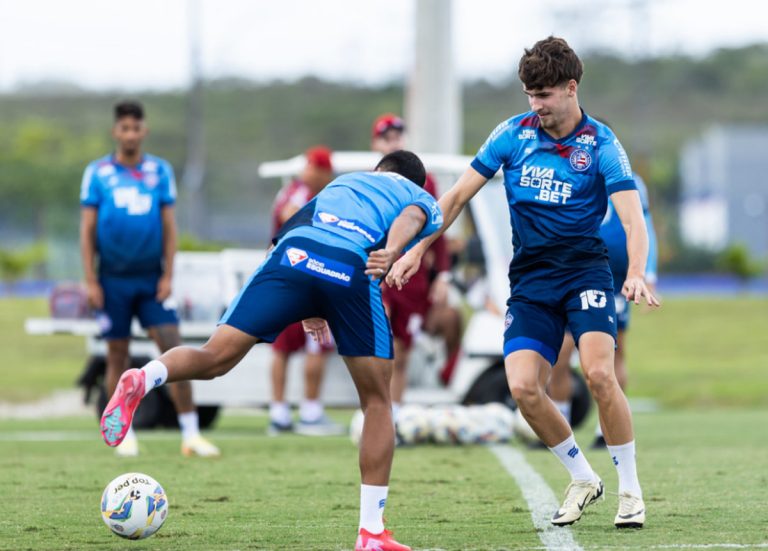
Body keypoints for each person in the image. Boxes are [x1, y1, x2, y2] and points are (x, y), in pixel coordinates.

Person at [100, 150, 442, 551]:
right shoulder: (419, 195)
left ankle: (145, 376)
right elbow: (412, 218)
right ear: (414, 182)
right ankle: (371, 532)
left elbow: (284, 234)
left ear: (377, 170)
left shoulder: (342, 183)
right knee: (377, 403)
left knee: (214, 357)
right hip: (351, 262)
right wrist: (392, 250)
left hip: (289, 256)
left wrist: (306, 304)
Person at [388, 37, 659, 529]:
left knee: (599, 375)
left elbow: (632, 218)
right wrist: (419, 248)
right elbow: (454, 199)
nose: (536, 105)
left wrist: (636, 272)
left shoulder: (601, 144)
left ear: (571, 88)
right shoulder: (512, 135)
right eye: (530, 95)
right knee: (523, 388)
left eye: (545, 95)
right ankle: (581, 477)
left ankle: (632, 492)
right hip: (531, 279)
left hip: (585, 271)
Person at [80, 100, 219, 458]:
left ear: (144, 131)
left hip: (152, 280)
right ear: (116, 132)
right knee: (117, 356)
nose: (129, 134)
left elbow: (170, 226)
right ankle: (122, 433)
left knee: (174, 349)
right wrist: (91, 280)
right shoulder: (97, 173)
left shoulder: (160, 171)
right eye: (123, 128)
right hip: (112, 280)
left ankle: (191, 434)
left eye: (135, 128)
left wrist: (168, 274)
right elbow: (87, 229)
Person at [549, 170, 658, 448]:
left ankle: (604, 429)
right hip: (573, 273)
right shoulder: (565, 174)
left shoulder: (629, 179)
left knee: (612, 353)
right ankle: (559, 425)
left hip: (613, 276)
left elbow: (643, 225)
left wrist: (648, 274)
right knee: (561, 351)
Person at [371, 114, 462, 419]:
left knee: (401, 348)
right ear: (377, 143)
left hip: (410, 277)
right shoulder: (368, 181)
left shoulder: (424, 180)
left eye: (398, 135)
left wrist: (443, 275)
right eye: (387, 137)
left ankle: (392, 412)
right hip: (376, 272)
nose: (393, 140)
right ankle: (379, 410)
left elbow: (436, 229)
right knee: (380, 344)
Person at [268, 146, 344, 436]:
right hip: (302, 273)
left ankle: (283, 412)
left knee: (290, 345)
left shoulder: (291, 191)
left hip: (286, 274)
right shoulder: (302, 194)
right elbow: (293, 219)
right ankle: (306, 411)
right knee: (310, 342)